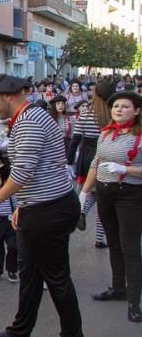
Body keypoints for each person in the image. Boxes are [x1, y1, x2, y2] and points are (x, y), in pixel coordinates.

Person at [0, 74, 91, 337]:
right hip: (38, 207)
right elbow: (38, 170)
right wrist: (21, 205)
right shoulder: (26, 118)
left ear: (8, 95)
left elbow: (23, 171)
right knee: (29, 272)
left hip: (49, 210)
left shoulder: (29, 121)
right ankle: (19, 333)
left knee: (56, 277)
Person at [79, 90, 142, 322]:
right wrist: (84, 193)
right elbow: (97, 163)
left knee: (131, 248)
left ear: (136, 111)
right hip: (105, 192)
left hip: (131, 195)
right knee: (113, 243)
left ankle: (135, 302)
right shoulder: (106, 134)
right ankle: (118, 289)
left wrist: (126, 169)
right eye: (116, 106)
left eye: (125, 106)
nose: (118, 110)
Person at [69, 80, 113, 249]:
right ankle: (99, 238)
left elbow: (75, 138)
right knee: (102, 197)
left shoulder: (86, 112)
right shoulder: (112, 113)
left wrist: (70, 160)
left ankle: (82, 213)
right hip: (105, 155)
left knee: (95, 194)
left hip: (87, 155)